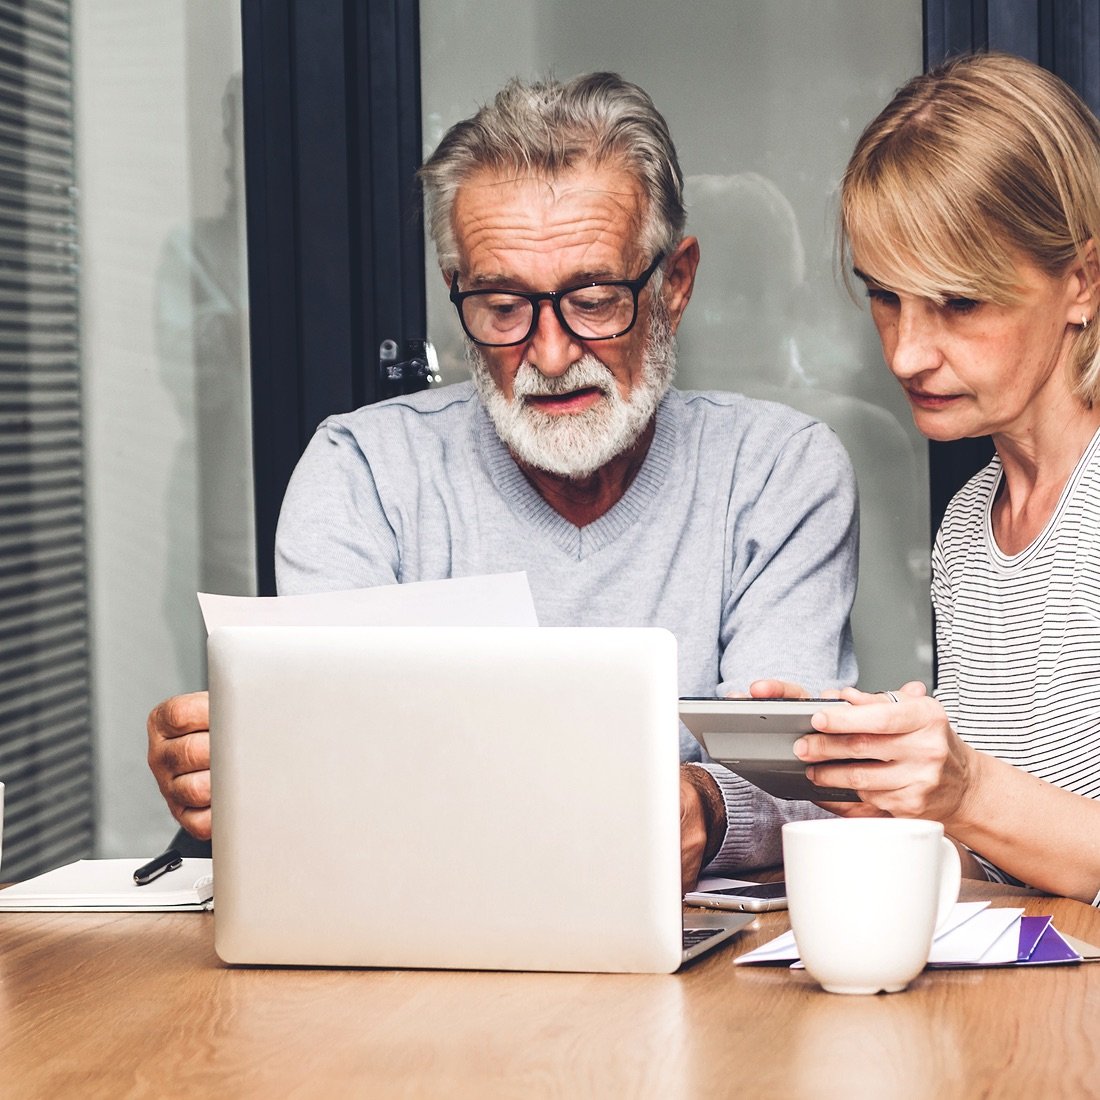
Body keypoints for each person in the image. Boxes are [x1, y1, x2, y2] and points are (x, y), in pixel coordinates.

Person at [147, 72, 858, 888]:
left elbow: (808, 778)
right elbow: (327, 775)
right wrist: (239, 770)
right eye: (501, 307)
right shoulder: (361, 476)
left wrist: (706, 805)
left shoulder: (778, 472)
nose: (550, 358)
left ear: (675, 284)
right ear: (457, 295)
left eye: (594, 300)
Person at [780, 51, 1100, 904]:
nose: (906, 352)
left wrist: (965, 789)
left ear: (1083, 282)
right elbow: (1015, 865)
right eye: (885, 296)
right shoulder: (970, 524)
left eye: (959, 302)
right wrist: (860, 776)